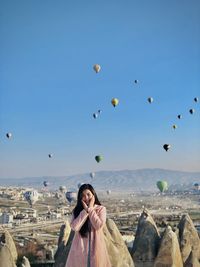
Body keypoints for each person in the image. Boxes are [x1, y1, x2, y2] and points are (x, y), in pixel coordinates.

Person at [65, 184, 111, 267]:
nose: (86, 198)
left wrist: (90, 209)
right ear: (80, 198)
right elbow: (74, 227)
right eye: (83, 195)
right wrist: (85, 212)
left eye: (88, 194)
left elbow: (98, 225)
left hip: (96, 246)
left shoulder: (101, 209)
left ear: (93, 195)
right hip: (80, 247)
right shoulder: (77, 211)